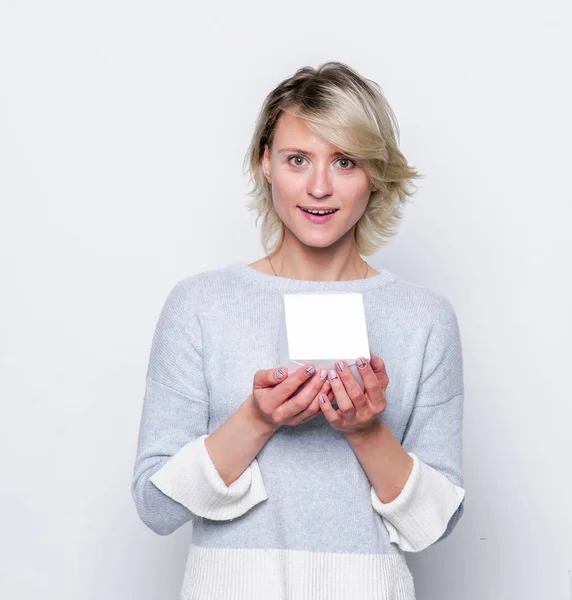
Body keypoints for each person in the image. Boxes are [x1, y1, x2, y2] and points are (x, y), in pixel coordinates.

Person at [131, 61, 466, 600]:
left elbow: (437, 523)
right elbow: (155, 505)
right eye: (297, 159)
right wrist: (257, 419)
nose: (318, 187)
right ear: (266, 163)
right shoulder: (200, 305)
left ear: (374, 174)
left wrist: (365, 431)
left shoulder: (424, 317)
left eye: (345, 161)